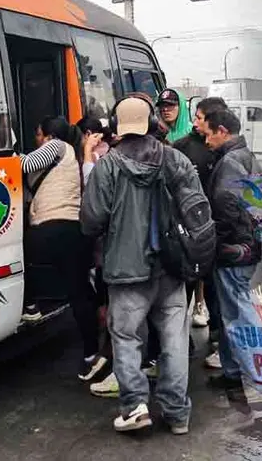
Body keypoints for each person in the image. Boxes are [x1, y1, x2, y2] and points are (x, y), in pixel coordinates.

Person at [81, 97, 201, 435]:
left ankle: (135, 406)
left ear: (119, 127)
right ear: (150, 121)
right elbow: (196, 211)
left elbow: (91, 221)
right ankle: (177, 414)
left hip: (126, 267)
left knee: (127, 337)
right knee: (174, 340)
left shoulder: (107, 166)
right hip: (172, 267)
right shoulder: (175, 159)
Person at [20, 116, 99, 383]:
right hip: (72, 230)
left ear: (48, 134)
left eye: (38, 134)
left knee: (20, 255)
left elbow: (26, 163)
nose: (37, 140)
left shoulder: (56, 146)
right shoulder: (71, 155)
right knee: (79, 295)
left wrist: (2, 154)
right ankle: (92, 354)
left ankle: (31, 306)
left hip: (55, 228)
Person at [202, 108, 262, 424]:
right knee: (232, 317)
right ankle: (232, 374)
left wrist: (224, 240)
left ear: (222, 131)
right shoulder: (247, 156)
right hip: (247, 250)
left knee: (237, 319)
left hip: (232, 253)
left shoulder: (229, 162)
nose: (206, 138)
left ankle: (252, 386)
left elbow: (226, 205)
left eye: (209, 133)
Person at [172, 97, 230, 359]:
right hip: (189, 231)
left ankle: (219, 342)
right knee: (181, 288)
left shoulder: (227, 153)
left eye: (199, 117)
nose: (195, 122)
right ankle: (181, 344)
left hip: (216, 231)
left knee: (217, 290)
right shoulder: (181, 147)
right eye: (194, 117)